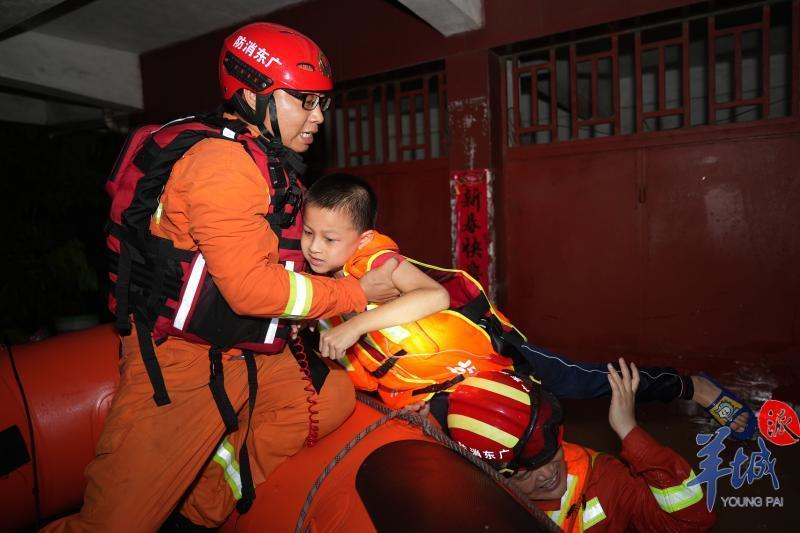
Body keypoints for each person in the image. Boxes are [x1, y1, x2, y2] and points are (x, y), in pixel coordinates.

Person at [44, 24, 400, 532]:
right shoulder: (224, 165)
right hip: (182, 363)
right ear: (253, 95)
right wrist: (355, 293)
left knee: (326, 397)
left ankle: (199, 511)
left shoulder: (262, 155)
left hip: (242, 347)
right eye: (305, 100)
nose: (320, 116)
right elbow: (251, 288)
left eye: (323, 102)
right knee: (114, 525)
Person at [298, 172, 755, 438]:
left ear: (359, 238)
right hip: (443, 388)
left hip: (495, 358)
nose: (315, 247)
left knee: (583, 384)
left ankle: (694, 388)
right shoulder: (316, 284)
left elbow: (433, 295)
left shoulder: (375, 261)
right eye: (308, 233)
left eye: (330, 238)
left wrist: (353, 326)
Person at [446, 361, 716, 532]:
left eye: (550, 453)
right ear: (488, 477)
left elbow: (692, 523)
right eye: (525, 474)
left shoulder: (600, 481)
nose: (547, 474)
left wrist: (630, 433)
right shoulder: (472, 504)